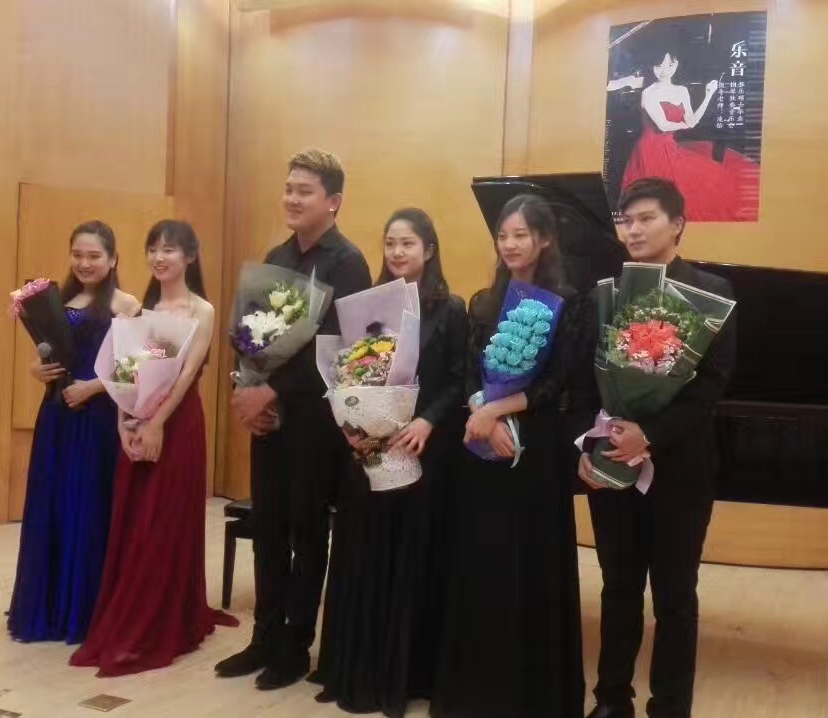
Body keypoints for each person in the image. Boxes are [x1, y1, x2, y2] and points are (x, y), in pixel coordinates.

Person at [431, 194, 595, 718]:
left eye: (521, 235)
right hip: (483, 449)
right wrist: (484, 414)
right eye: (503, 235)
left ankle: (529, 698)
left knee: (530, 564)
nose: (510, 244)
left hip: (537, 452)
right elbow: (468, 373)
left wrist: (496, 411)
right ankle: (476, 692)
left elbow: (559, 383)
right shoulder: (484, 302)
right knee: (484, 564)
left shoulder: (569, 302)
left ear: (544, 240)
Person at [579, 177, 737, 718]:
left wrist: (652, 433)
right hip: (614, 459)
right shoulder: (607, 293)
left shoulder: (710, 294)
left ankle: (669, 707)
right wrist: (589, 444)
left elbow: (712, 386)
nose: (634, 230)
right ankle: (610, 699)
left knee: (674, 594)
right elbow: (587, 378)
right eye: (626, 221)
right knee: (618, 587)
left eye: (646, 218)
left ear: (678, 224)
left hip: (680, 468)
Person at [216, 148, 373, 690]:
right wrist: (249, 391)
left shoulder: (348, 263)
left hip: (315, 423)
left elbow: (338, 349)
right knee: (268, 529)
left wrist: (273, 392)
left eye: (304, 191)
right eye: (288, 188)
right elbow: (253, 338)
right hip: (271, 419)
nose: (291, 198)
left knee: (306, 533)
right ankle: (263, 636)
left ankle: (295, 644)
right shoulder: (277, 255)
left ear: (333, 201)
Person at [312, 208, 467, 717]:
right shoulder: (368, 305)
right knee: (364, 555)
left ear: (429, 250)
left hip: (422, 452)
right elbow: (347, 375)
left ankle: (404, 675)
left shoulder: (451, 309)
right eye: (391, 243)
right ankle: (357, 668)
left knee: (411, 559)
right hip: (368, 453)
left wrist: (426, 422)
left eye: (408, 244)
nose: (397, 252)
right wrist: (352, 425)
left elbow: (459, 380)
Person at [69, 220, 238, 676]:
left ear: (189, 256)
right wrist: (125, 424)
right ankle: (131, 612)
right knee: (135, 521)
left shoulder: (202, 309)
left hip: (178, 426)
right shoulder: (138, 310)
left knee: (165, 520)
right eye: (153, 249)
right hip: (137, 420)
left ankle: (165, 621)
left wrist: (157, 424)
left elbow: (186, 375)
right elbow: (124, 376)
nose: (160, 258)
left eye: (170, 250)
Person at [8, 220, 141, 644]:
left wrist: (93, 387)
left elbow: (136, 366)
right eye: (78, 254)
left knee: (89, 508)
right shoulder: (59, 301)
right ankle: (48, 607)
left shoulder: (126, 304)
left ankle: (84, 611)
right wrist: (37, 369)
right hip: (57, 416)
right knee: (52, 504)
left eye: (94, 255)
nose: (84, 263)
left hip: (98, 418)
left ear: (113, 259)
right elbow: (45, 355)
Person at [611, 51, 759, 221]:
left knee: (714, 178)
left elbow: (692, 121)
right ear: (652, 66)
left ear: (677, 64)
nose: (664, 70)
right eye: (659, 65)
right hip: (650, 151)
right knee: (663, 198)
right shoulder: (649, 93)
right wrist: (686, 125)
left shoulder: (682, 91)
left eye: (670, 65)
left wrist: (708, 95)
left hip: (670, 147)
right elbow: (663, 125)